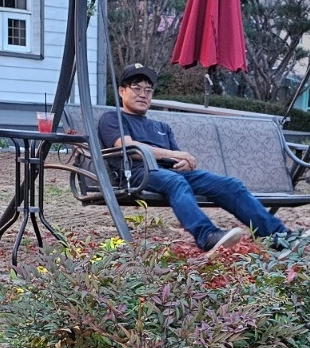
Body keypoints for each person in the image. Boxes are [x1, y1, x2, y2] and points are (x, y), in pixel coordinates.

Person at [97, 64, 299, 256]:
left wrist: (185, 163)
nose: (143, 94)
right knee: (175, 181)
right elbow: (128, 148)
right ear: (122, 91)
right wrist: (176, 155)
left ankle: (278, 235)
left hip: (171, 174)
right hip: (138, 173)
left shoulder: (161, 126)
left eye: (148, 90)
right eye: (136, 88)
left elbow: (178, 160)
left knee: (231, 185)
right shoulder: (113, 118)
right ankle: (207, 235)